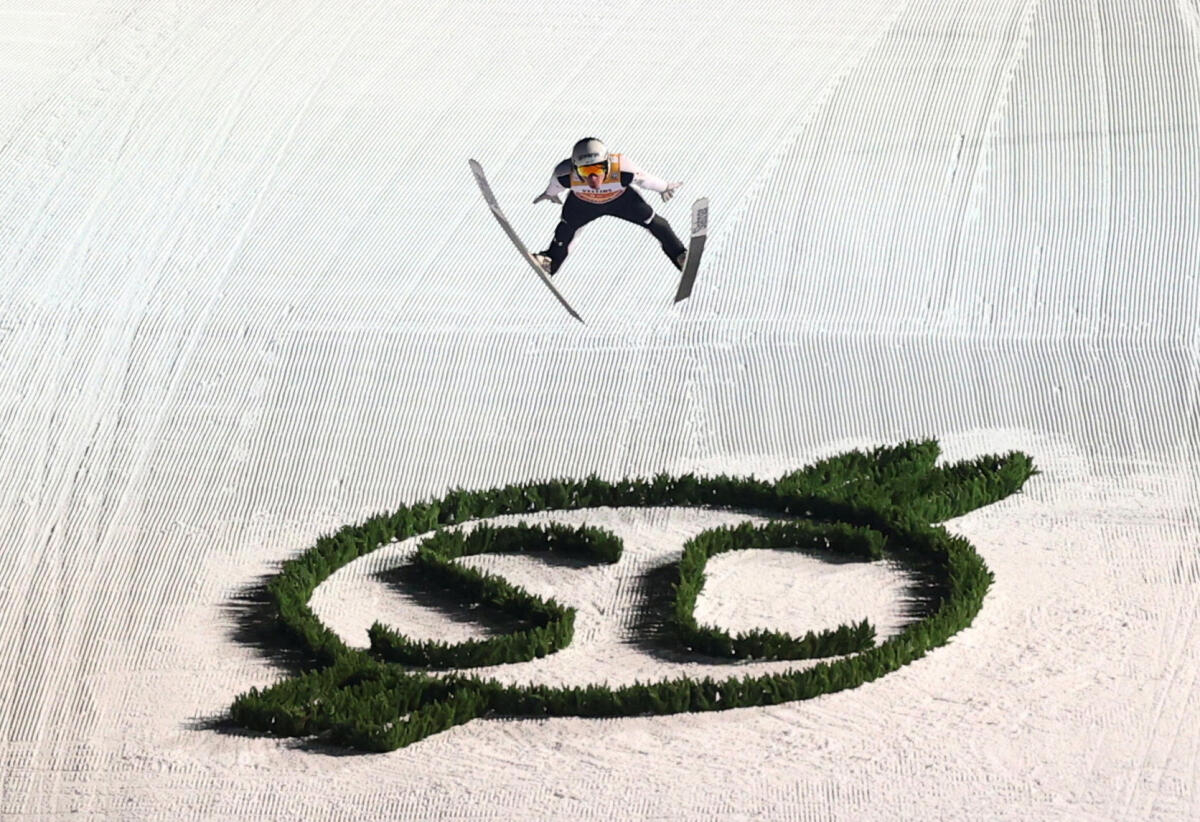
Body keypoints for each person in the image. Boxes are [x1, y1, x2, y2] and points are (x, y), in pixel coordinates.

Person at [532, 138, 686, 276]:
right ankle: (551, 261)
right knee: (565, 230)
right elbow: (555, 185)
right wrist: (550, 194)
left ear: (607, 164)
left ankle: (680, 255)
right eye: (585, 170)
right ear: (575, 167)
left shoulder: (621, 168)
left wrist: (664, 187)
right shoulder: (565, 173)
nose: (593, 178)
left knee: (656, 223)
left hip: (621, 202)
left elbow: (644, 179)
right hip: (583, 204)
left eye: (598, 169)